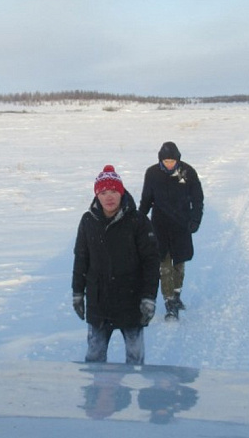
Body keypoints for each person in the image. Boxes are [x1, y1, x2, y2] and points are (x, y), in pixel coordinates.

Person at [72, 165, 160, 365]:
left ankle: (131, 392)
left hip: (131, 301)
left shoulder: (138, 221)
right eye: (103, 192)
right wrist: (78, 292)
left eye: (113, 191)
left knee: (135, 358)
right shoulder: (88, 221)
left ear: (121, 193)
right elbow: (81, 259)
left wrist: (149, 297)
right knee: (94, 358)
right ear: (97, 195)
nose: (109, 197)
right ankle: (96, 395)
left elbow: (151, 262)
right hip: (99, 302)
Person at [139, 142, 204, 320]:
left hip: (181, 225)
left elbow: (197, 199)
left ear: (178, 159)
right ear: (161, 159)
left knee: (179, 264)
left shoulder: (187, 172)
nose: (169, 164)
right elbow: (146, 199)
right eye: (166, 161)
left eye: (172, 161)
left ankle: (176, 295)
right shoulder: (152, 173)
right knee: (164, 265)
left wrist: (195, 219)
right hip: (159, 226)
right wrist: (139, 220)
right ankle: (169, 302)